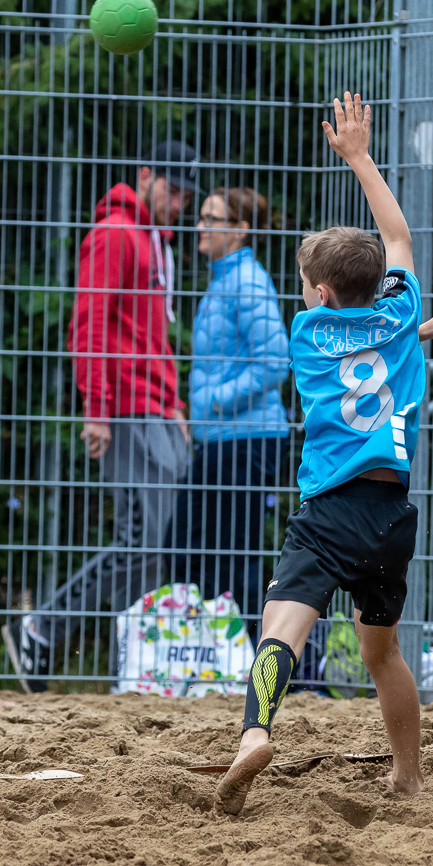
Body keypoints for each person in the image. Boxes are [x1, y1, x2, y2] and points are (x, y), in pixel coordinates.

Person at [213, 93, 433, 815]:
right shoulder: (399, 311)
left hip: (329, 511)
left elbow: (344, 348)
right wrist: (361, 157)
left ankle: (254, 734)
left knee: (281, 629)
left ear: (322, 293)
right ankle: (408, 773)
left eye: (307, 285)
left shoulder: (305, 336)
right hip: (391, 516)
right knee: (381, 652)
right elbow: (397, 236)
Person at [4, 143, 199, 692]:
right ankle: (41, 628)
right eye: (172, 190)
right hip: (126, 409)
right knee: (139, 538)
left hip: (157, 409)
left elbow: (154, 337)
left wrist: (175, 406)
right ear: (145, 176)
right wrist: (96, 408)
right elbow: (87, 323)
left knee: (154, 545)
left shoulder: (154, 241)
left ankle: (132, 668)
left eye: (186, 196)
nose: (178, 204)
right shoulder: (116, 233)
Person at [168, 185, 290, 626]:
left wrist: (217, 402)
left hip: (245, 438)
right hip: (223, 439)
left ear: (240, 229)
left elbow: (275, 361)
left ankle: (249, 651)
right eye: (201, 216)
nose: (200, 226)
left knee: (230, 557)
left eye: (211, 219)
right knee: (189, 547)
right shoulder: (225, 280)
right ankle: (211, 646)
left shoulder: (247, 282)